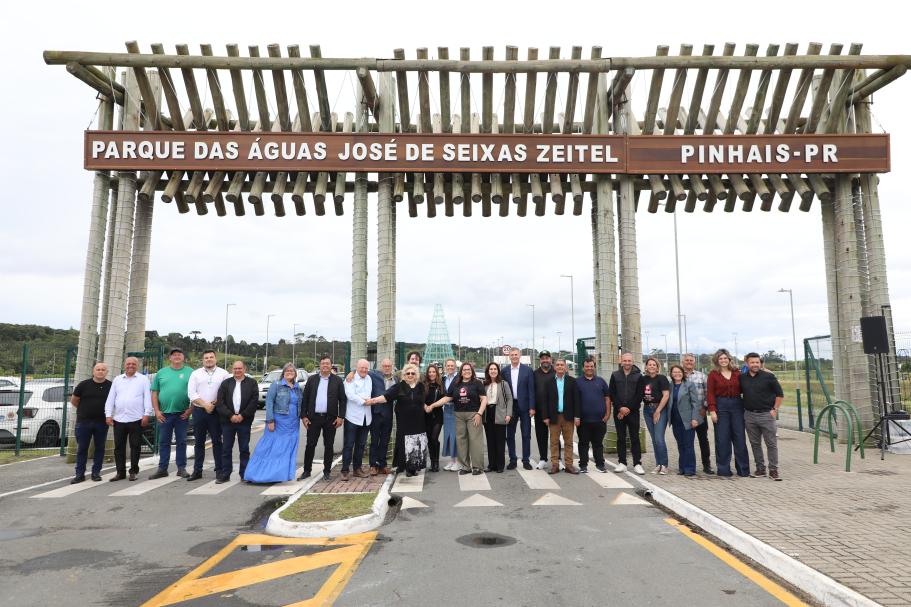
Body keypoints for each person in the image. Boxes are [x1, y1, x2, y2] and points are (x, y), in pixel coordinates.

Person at [366, 363, 428, 476]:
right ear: (403, 375)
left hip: (418, 420)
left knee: (416, 442)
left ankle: (414, 466)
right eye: (407, 373)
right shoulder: (399, 386)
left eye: (412, 373)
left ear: (416, 375)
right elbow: (386, 397)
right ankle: (406, 467)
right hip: (404, 420)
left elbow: (423, 401)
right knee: (405, 442)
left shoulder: (420, 386)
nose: (410, 375)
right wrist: (372, 401)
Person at [246, 363, 303, 483]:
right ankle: (260, 474)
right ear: (283, 373)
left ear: (295, 374)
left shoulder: (297, 388)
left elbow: (301, 404)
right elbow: (269, 403)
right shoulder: (276, 385)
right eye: (287, 371)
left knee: (286, 450)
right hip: (279, 422)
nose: (289, 373)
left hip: (293, 424)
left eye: (292, 371)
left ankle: (279, 475)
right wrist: (270, 420)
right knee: (272, 448)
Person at [429, 362, 488, 474]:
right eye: (464, 370)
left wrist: (479, 414)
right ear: (461, 372)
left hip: (473, 414)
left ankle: (477, 467)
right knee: (461, 441)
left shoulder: (477, 383)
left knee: (475, 441)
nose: (467, 371)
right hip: (459, 415)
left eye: (469, 370)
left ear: (472, 371)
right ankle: (465, 466)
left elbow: (484, 399)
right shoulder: (456, 383)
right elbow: (447, 398)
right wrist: (433, 405)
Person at [104, 357, 152, 481]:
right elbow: (111, 398)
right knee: (119, 447)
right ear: (124, 365)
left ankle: (133, 471)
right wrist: (108, 414)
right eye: (128, 364)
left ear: (137, 366)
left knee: (135, 446)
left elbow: (147, 397)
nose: (130, 366)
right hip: (119, 419)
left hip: (136, 418)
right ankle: (120, 472)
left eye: (133, 364)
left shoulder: (143, 379)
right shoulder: (117, 379)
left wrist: (147, 414)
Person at [149, 348, 193, 479]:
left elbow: (196, 392)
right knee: (164, 442)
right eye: (174, 355)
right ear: (170, 358)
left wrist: (190, 410)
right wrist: (156, 411)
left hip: (182, 414)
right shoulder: (161, 372)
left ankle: (181, 468)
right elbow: (154, 392)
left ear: (183, 357)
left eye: (179, 354)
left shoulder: (191, 372)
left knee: (181, 441)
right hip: (164, 414)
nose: (177, 356)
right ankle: (162, 468)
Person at [301, 355, 347, 481]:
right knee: (310, 444)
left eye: (327, 363)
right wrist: (304, 416)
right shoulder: (312, 380)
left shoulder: (337, 380)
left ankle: (327, 471)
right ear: (319, 365)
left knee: (329, 445)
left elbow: (343, 400)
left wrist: (341, 416)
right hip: (313, 418)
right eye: (323, 363)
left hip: (330, 419)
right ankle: (306, 470)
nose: (325, 365)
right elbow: (305, 399)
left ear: (331, 365)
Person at [186, 350, 230, 481]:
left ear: (215, 359)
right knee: (199, 442)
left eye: (211, 357)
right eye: (206, 358)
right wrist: (205, 405)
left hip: (216, 412)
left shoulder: (224, 374)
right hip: (199, 411)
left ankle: (219, 471)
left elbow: (226, 392)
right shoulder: (195, 374)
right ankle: (197, 471)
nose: (209, 359)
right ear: (202, 360)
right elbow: (191, 393)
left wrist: (214, 404)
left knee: (217, 441)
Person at [740, 353, 784, 480]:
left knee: (771, 444)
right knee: (755, 444)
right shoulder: (742, 378)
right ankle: (760, 469)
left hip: (766, 414)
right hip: (749, 415)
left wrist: (775, 409)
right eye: (752, 362)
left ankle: (773, 470)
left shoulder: (769, 377)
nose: (755, 364)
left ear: (760, 363)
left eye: (757, 362)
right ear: (747, 364)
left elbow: (779, 394)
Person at [707, 348, 750, 478]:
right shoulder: (713, 374)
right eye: (721, 359)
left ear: (729, 359)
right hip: (721, 407)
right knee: (722, 439)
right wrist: (713, 411)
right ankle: (723, 469)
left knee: (740, 438)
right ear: (717, 360)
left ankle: (743, 469)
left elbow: (747, 388)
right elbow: (710, 393)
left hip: (737, 406)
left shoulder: (737, 373)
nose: (723, 360)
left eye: (725, 358)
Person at [215, 360, 259, 483]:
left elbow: (254, 401)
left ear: (245, 369)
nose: (237, 371)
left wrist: (242, 415)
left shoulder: (252, 383)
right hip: (228, 421)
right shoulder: (225, 384)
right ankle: (225, 474)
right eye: (235, 369)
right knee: (226, 448)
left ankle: (244, 474)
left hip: (244, 421)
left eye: (240, 368)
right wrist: (230, 415)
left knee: (244, 448)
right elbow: (220, 402)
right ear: (232, 370)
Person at [70, 362, 112, 483]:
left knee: (100, 448)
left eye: (103, 369)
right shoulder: (83, 385)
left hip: (102, 422)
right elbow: (74, 400)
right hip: (84, 422)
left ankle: (96, 473)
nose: (100, 371)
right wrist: (85, 410)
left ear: (106, 372)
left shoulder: (111, 386)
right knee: (82, 449)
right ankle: (79, 474)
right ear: (93, 371)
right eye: (98, 369)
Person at [542, 358, 580, 474]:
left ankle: (569, 465)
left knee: (568, 442)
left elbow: (576, 400)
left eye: (562, 365)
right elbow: (544, 401)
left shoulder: (572, 381)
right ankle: (555, 465)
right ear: (554, 367)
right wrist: (545, 417)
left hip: (568, 417)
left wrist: (577, 416)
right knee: (554, 442)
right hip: (554, 417)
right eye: (557, 365)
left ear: (565, 367)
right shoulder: (548, 382)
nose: (559, 367)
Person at [609, 352, 645, 475]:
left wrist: (628, 408)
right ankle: (622, 463)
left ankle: (637, 463)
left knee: (635, 437)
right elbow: (612, 393)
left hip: (633, 411)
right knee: (621, 437)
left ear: (632, 361)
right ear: (621, 361)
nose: (627, 363)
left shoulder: (639, 376)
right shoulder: (615, 375)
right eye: (625, 361)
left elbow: (640, 395)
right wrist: (620, 408)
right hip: (619, 412)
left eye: (629, 361)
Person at [502, 347, 535, 471]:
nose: (514, 356)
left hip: (525, 407)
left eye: (516, 354)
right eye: (512, 355)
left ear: (519, 355)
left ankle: (526, 460)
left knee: (526, 434)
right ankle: (513, 460)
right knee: (510, 435)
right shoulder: (504, 371)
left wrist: (532, 407)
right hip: (511, 406)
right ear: (509, 356)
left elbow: (531, 390)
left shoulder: (527, 370)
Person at [576, 357, 611, 473]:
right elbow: (574, 401)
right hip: (583, 421)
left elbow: (607, 398)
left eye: (591, 366)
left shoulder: (601, 381)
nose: (589, 368)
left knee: (598, 444)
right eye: (587, 366)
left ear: (594, 367)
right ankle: (583, 465)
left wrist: (607, 415)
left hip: (599, 420)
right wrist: (576, 417)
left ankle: (600, 465)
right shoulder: (577, 382)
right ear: (583, 368)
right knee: (583, 444)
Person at [341, 359, 374, 481]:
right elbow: (350, 394)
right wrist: (364, 401)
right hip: (352, 417)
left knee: (361, 445)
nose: (364, 370)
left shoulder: (369, 378)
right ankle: (344, 470)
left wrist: (368, 401)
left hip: (366, 418)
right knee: (349, 445)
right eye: (362, 368)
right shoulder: (350, 379)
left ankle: (357, 469)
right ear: (356, 367)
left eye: (366, 368)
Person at [668, 364, 702, 477]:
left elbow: (695, 403)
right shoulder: (670, 386)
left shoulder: (689, 385)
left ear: (683, 373)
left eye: (679, 372)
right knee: (680, 444)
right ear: (671, 374)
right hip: (675, 420)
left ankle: (690, 469)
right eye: (674, 372)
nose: (677, 374)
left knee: (688, 445)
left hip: (687, 420)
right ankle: (682, 467)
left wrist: (694, 418)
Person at [682, 353, 713, 474]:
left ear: (694, 362)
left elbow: (708, 393)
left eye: (691, 360)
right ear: (683, 362)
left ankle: (707, 465)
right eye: (687, 360)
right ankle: (688, 465)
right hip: (684, 414)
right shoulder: (678, 375)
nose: (689, 362)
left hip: (700, 413)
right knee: (686, 441)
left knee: (703, 440)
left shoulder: (702, 376)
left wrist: (705, 408)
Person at [641, 357, 671, 475]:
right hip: (647, 410)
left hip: (659, 409)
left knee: (659, 438)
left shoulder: (662, 379)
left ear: (657, 367)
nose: (652, 366)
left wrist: (658, 411)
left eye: (654, 365)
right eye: (650, 365)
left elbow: (666, 395)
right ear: (646, 367)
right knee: (654, 439)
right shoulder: (644, 379)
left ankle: (664, 465)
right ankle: (658, 464)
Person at [482, 361, 513, 473]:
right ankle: (491, 465)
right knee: (490, 441)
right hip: (487, 414)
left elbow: (509, 399)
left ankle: (500, 465)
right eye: (491, 369)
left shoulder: (504, 384)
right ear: (488, 371)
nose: (493, 371)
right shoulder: (484, 384)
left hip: (500, 412)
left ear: (498, 371)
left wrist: (508, 414)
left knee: (500, 441)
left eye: (495, 369)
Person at [368, 358, 396, 475]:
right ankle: (373, 465)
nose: (386, 368)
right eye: (384, 366)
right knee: (374, 440)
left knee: (385, 440)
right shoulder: (374, 375)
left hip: (388, 414)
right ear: (381, 366)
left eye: (388, 366)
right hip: (376, 413)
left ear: (392, 366)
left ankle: (382, 465)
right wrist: (351, 373)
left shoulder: (396, 379)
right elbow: (360, 369)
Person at [532, 351, 556, 470]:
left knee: (555, 436)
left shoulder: (556, 372)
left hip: (554, 411)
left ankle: (557, 459)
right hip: (539, 410)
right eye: (543, 359)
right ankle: (543, 459)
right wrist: (532, 407)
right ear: (540, 360)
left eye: (547, 358)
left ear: (550, 359)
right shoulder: (535, 374)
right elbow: (531, 391)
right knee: (541, 435)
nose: (545, 360)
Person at [422, 363, 446, 472]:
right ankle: (432, 461)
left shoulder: (441, 385)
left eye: (433, 372)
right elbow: (419, 398)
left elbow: (444, 399)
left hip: (437, 415)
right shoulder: (423, 385)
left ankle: (436, 462)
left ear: (437, 373)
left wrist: (433, 406)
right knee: (429, 440)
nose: (432, 374)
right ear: (427, 374)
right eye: (430, 372)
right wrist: (425, 406)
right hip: (425, 415)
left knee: (434, 438)